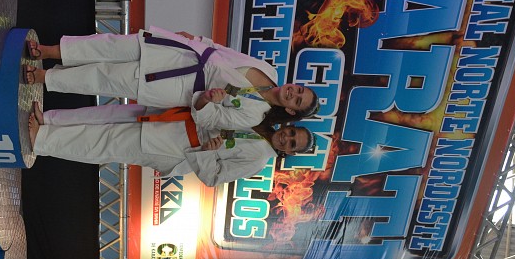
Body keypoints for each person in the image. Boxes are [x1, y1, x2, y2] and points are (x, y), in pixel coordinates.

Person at [23, 27, 320, 131]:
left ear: (290, 110)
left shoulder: (254, 115)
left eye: (297, 100)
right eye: (299, 89)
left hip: (179, 86)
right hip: (185, 53)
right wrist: (199, 39)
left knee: (106, 78)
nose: (293, 93)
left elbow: (208, 119)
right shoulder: (269, 70)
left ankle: (44, 77)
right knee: (111, 45)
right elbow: (227, 52)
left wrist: (208, 100)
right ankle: (49, 50)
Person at [28, 102, 315, 187]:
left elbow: (213, 178)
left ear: (288, 152)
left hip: (174, 147)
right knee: (109, 114)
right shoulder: (262, 117)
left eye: (291, 144)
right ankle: (50, 119)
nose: (287, 138)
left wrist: (209, 152)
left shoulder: (257, 160)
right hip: (178, 117)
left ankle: (42, 141)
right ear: (289, 125)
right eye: (292, 133)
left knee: (107, 143)